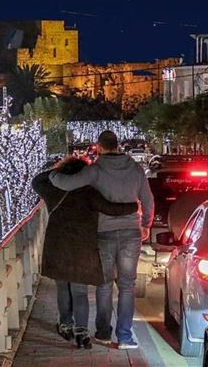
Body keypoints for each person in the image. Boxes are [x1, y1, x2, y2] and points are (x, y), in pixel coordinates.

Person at [49, 130, 154, 349]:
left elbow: (68, 184)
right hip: (130, 232)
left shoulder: (95, 170)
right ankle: (125, 336)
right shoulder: (135, 169)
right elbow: (148, 199)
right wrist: (145, 225)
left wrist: (53, 174)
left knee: (104, 284)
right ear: (118, 145)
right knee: (127, 286)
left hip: (104, 232)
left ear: (99, 147)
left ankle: (103, 333)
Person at [32, 156, 138, 349]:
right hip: (82, 249)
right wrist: (134, 206)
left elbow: (37, 180)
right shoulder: (90, 192)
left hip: (57, 247)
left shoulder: (53, 190)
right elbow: (111, 209)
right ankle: (82, 331)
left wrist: (58, 173)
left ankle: (65, 324)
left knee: (63, 288)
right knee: (79, 292)